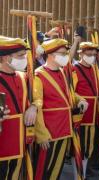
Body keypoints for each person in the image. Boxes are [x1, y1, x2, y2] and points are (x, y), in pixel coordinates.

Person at [32, 38, 88, 179]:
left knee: (57, 169)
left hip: (65, 128)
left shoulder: (63, 73)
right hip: (49, 132)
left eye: (65, 53)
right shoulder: (38, 75)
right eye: (62, 53)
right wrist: (41, 134)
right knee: (43, 170)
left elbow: (68, 93)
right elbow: (36, 105)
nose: (65, 56)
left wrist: (80, 99)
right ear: (50, 55)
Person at [72, 42, 99, 179]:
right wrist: (81, 101)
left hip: (96, 115)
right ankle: (79, 176)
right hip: (82, 116)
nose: (91, 57)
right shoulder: (74, 69)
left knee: (91, 148)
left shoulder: (95, 68)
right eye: (88, 55)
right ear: (81, 54)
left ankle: (86, 174)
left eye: (94, 55)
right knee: (81, 148)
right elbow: (70, 91)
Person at [0, 36, 37, 179]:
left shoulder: (24, 76)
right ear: (5, 58)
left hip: (21, 143)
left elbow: (37, 96)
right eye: (20, 56)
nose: (24, 59)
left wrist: (33, 106)